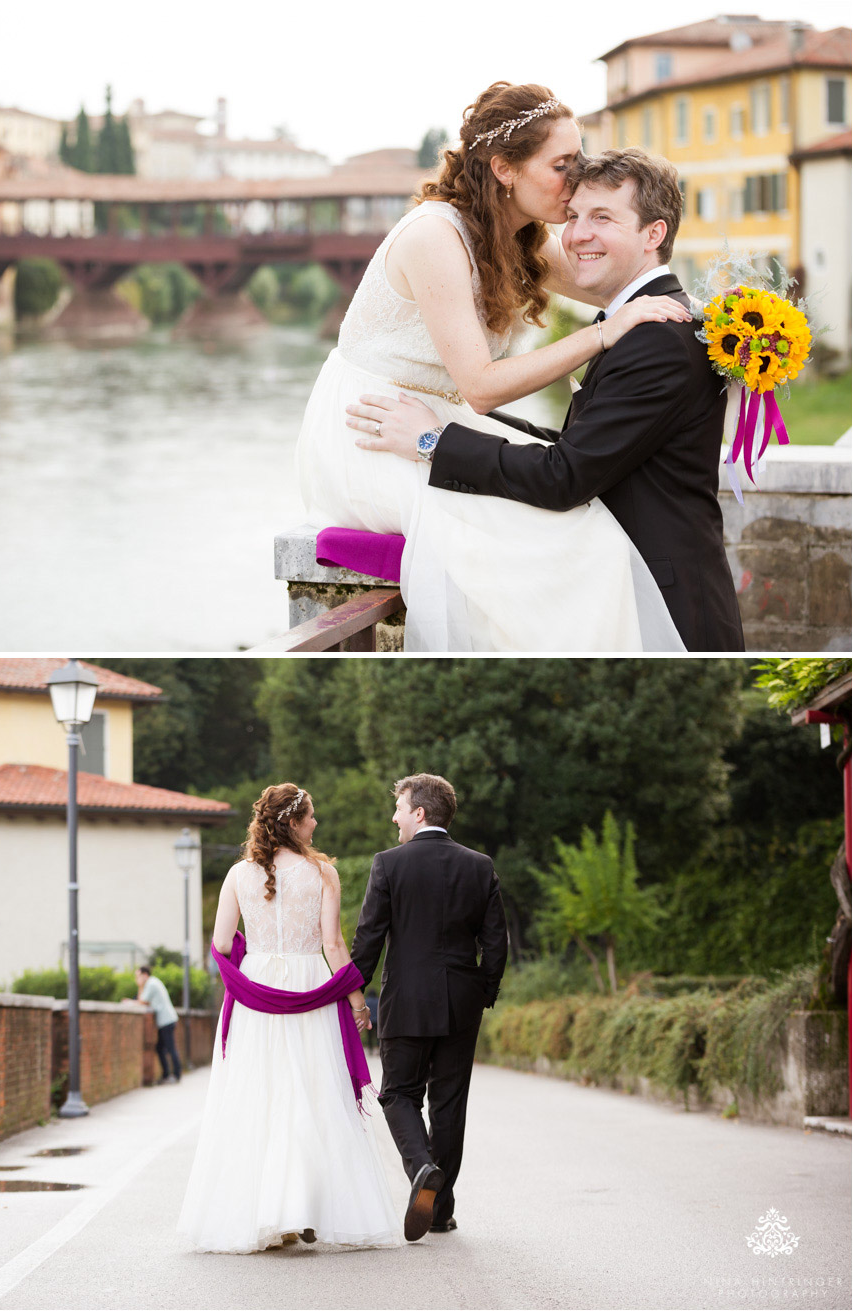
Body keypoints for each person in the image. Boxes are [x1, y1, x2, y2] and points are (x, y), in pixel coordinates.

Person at [296, 81, 691, 652]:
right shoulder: (436, 235)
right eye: (562, 164)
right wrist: (603, 335)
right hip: (371, 430)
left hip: (436, 423)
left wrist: (730, 329)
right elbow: (480, 388)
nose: (576, 176)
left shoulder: (523, 238)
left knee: (593, 532)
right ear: (505, 168)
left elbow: (624, 280)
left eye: (578, 158)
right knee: (563, 543)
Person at [348, 148, 746, 653]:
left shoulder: (659, 340)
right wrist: (468, 418)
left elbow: (565, 476)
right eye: (575, 216)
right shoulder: (646, 323)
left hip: (667, 607)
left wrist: (432, 440)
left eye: (602, 217)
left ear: (654, 234)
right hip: (631, 590)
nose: (577, 235)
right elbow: (584, 446)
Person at [177, 784, 401, 1253]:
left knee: (261, 1096)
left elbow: (219, 946)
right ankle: (309, 1207)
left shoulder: (238, 874)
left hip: (257, 987)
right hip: (307, 985)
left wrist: (253, 956)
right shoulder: (322, 873)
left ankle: (266, 1215)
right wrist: (359, 1001)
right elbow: (334, 946)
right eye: (311, 816)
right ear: (294, 822)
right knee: (313, 1093)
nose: (316, 823)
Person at [351, 774, 508, 1240]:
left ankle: (421, 1168)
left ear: (419, 813)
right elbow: (496, 943)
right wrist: (484, 993)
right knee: (449, 1105)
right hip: (462, 1001)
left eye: (399, 808)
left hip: (406, 999)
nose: (394, 817)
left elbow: (369, 939)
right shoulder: (480, 866)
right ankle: (439, 1210)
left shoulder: (389, 865)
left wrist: (349, 992)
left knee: (398, 1093)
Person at [135, 966, 181, 1085]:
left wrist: (140, 986)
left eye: (138, 976)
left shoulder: (151, 984)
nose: (137, 979)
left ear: (145, 975)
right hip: (166, 1020)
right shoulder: (154, 982)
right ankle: (167, 1075)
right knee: (161, 1048)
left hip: (166, 1021)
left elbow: (142, 1001)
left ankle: (175, 1075)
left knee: (169, 1048)